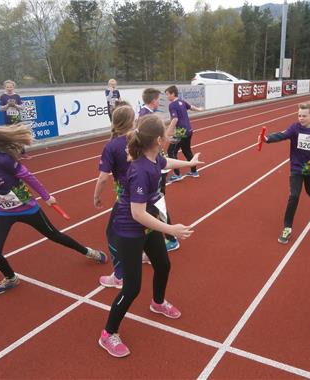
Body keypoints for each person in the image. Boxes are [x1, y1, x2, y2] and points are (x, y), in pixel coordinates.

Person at [0, 123, 108, 295]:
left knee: (55, 235)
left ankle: (89, 252)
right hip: (1, 211)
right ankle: (11, 278)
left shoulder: (1, 159)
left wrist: (46, 196)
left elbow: (26, 175)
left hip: (26, 207)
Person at [98, 115, 203, 358]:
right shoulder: (141, 170)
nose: (170, 133)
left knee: (163, 265)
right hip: (130, 231)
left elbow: (165, 161)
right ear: (158, 139)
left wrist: (189, 163)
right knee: (132, 287)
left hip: (148, 226)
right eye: (167, 131)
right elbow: (136, 213)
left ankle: (157, 303)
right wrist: (170, 229)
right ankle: (108, 333)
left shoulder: (153, 157)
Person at [260, 101, 310, 244]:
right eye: (299, 115)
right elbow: (283, 135)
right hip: (297, 168)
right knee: (294, 196)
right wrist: (267, 139)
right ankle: (287, 228)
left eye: (304, 116)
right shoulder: (295, 128)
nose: (300, 118)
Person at [94, 105, 135, 289]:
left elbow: (103, 178)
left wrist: (96, 197)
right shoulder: (141, 138)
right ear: (132, 121)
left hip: (126, 198)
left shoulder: (111, 146)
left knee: (112, 234)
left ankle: (120, 276)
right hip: (148, 195)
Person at [138, 88, 179, 252]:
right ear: (153, 100)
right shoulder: (147, 116)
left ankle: (170, 237)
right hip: (154, 165)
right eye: (158, 99)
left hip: (156, 164)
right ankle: (168, 236)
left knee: (156, 202)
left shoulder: (145, 114)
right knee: (156, 202)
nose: (159, 102)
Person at [165, 85, 203, 182]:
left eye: (168, 94)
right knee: (186, 150)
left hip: (181, 132)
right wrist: (199, 109)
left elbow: (175, 119)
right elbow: (191, 107)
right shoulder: (182, 101)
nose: (167, 97)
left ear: (173, 94)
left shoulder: (172, 105)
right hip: (189, 130)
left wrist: (169, 130)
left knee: (171, 152)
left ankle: (177, 174)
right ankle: (194, 172)